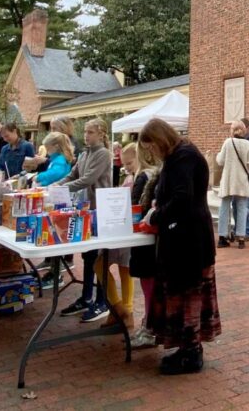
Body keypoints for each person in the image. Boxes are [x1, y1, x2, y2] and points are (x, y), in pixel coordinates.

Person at [138, 118, 220, 375]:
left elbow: (182, 197)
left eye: (151, 147)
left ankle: (191, 352)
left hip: (189, 241)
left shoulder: (183, 156)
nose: (151, 152)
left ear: (160, 139)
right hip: (187, 238)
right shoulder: (180, 154)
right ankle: (187, 348)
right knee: (184, 294)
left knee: (187, 295)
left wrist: (157, 214)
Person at [54, 118, 112, 322]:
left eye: (91, 132)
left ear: (101, 134)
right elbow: (72, 175)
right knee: (88, 255)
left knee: (99, 257)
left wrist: (61, 188)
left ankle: (102, 300)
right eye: (85, 132)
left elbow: (88, 179)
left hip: (100, 209)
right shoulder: (84, 153)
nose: (86, 136)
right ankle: (86, 297)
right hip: (86, 209)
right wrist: (54, 187)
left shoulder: (103, 154)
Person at [124, 143, 160, 348]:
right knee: (149, 284)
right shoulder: (153, 175)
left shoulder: (144, 177)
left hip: (144, 236)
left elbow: (135, 206)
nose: (126, 166)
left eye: (129, 162)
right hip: (149, 236)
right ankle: (149, 324)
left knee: (148, 284)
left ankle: (150, 326)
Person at [215, 121, 249, 249]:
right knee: (242, 208)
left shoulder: (228, 142)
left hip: (229, 179)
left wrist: (218, 155)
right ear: (244, 131)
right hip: (241, 180)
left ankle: (222, 237)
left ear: (232, 131)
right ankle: (241, 237)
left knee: (224, 207)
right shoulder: (248, 144)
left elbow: (220, 161)